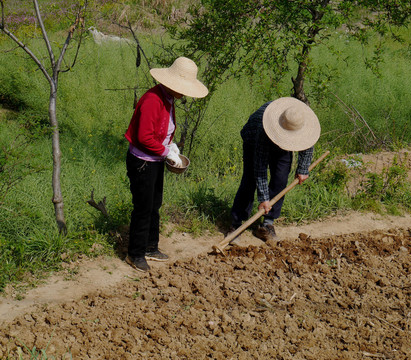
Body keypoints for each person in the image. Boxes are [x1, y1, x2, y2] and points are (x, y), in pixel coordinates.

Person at [124, 57, 208, 272]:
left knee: (154, 205)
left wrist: (170, 147)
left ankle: (150, 247)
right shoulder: (153, 100)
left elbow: (161, 131)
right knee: (143, 208)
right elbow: (144, 137)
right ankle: (135, 254)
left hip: (155, 160)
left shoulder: (167, 98)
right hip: (143, 162)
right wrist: (166, 152)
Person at [229, 97, 321, 243]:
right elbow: (259, 169)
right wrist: (264, 199)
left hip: (281, 138)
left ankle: (267, 224)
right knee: (249, 180)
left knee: (280, 178)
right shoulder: (263, 131)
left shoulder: (300, 120)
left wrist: (303, 168)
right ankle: (236, 224)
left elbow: (307, 144)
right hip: (254, 140)